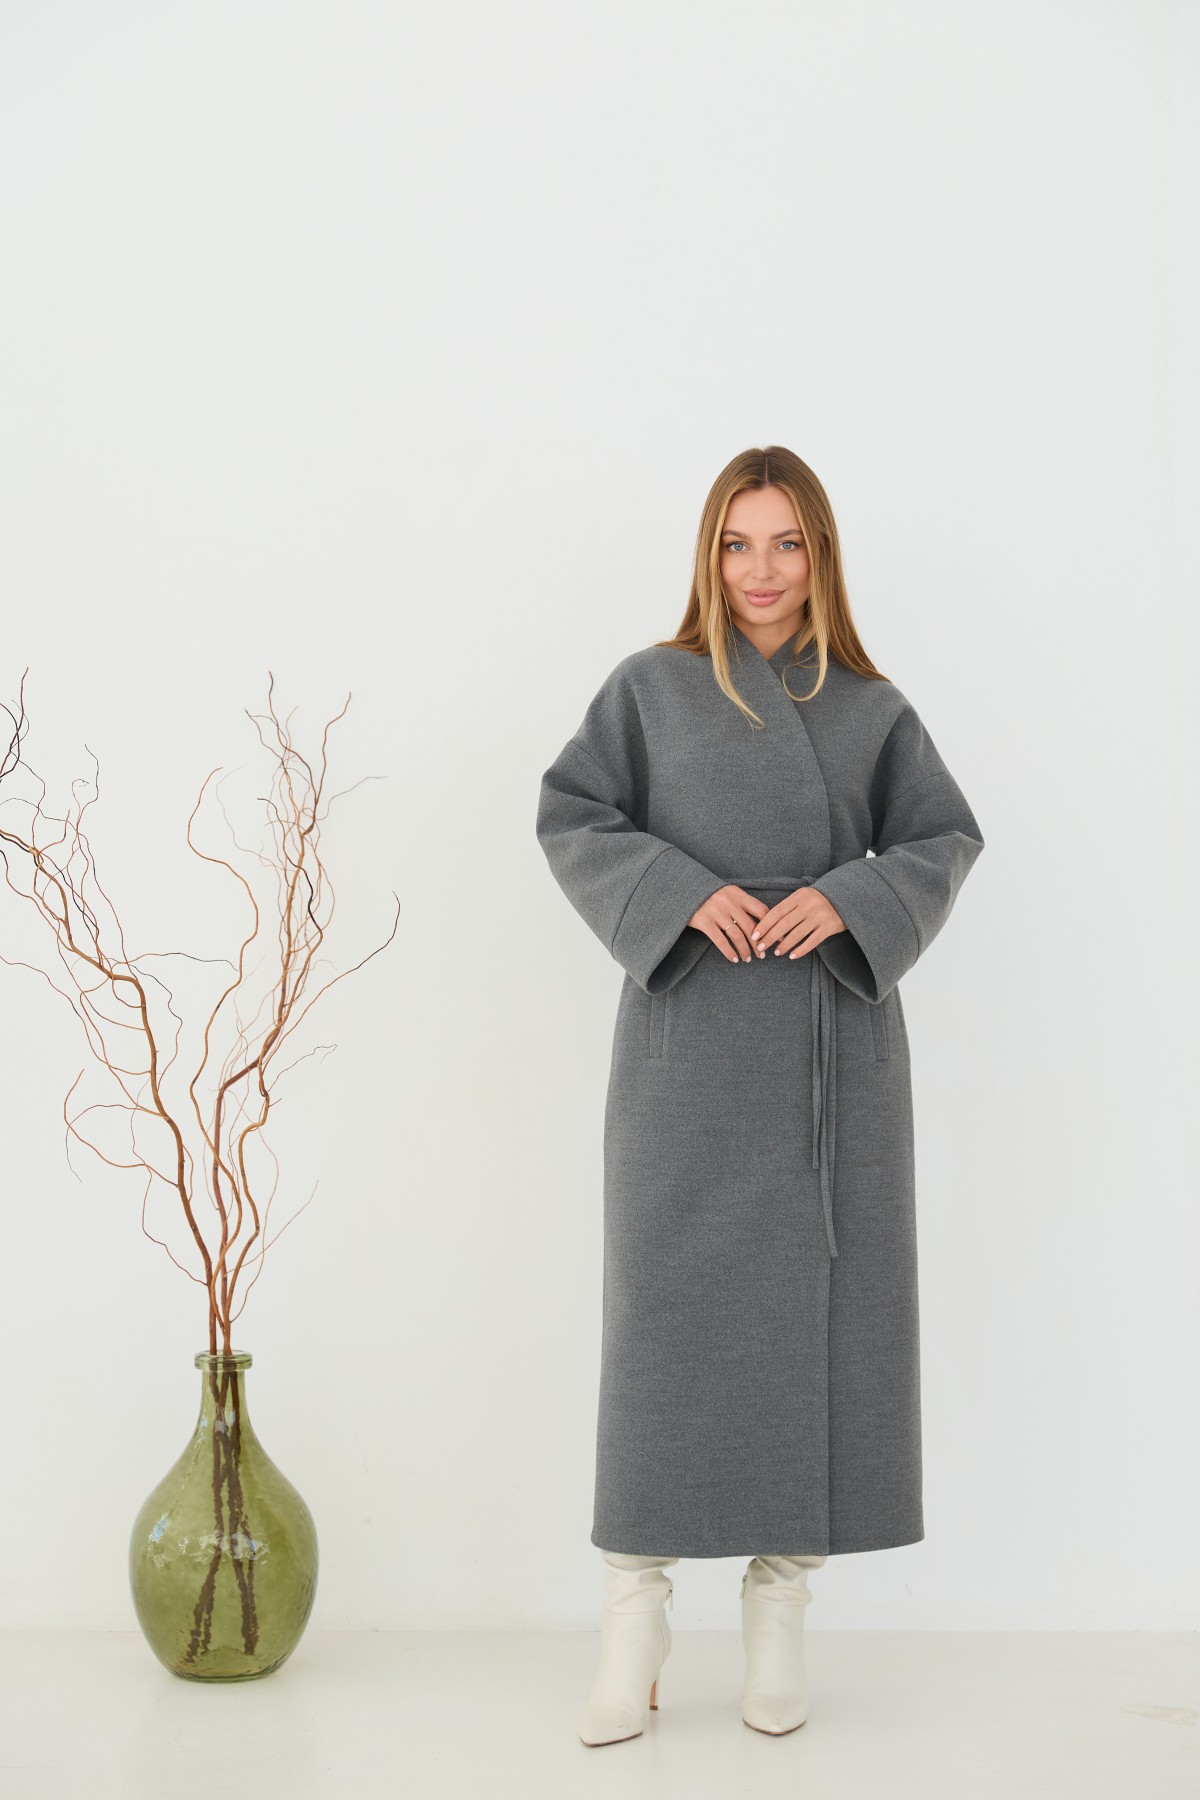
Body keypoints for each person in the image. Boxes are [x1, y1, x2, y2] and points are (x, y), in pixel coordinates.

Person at [535, 445, 985, 1745]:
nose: (762, 571)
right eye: (739, 544)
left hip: (831, 1059)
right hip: (686, 1053)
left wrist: (847, 900)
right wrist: (681, 896)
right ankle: (634, 1616)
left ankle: (781, 1610)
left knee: (824, 1327)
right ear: (709, 555)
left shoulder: (869, 708)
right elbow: (571, 814)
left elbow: (944, 837)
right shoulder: (650, 689)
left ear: (820, 553)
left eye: (788, 543)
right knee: (659, 1324)